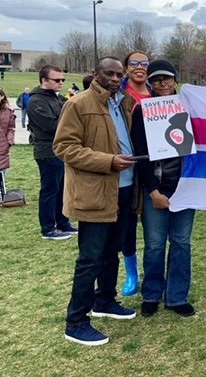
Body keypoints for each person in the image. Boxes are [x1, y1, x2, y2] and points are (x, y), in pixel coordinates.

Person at [54, 57, 138, 346]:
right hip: (95, 193)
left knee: (111, 251)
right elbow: (64, 147)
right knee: (90, 259)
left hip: (124, 190)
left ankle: (104, 300)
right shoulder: (78, 104)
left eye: (119, 74)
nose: (115, 78)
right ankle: (75, 321)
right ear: (95, 74)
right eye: (109, 73)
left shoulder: (123, 103)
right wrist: (108, 161)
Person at [131, 59, 197, 318]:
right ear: (149, 82)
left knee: (181, 243)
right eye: (156, 79)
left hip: (184, 187)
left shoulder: (188, 108)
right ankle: (151, 294)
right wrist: (152, 191)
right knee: (155, 244)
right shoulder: (141, 110)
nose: (161, 84)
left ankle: (177, 296)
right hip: (156, 188)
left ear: (175, 80)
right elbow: (140, 154)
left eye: (166, 78)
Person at [27, 65, 76, 240]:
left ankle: (63, 223)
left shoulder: (58, 98)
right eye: (57, 80)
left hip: (62, 151)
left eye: (62, 80)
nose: (61, 83)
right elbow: (51, 126)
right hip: (47, 151)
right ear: (44, 81)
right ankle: (47, 228)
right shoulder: (36, 101)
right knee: (50, 190)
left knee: (63, 189)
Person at [120, 51, 153, 297]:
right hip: (128, 166)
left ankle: (153, 273)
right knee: (127, 222)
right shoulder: (118, 97)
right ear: (126, 68)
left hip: (155, 167)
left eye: (144, 63)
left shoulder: (159, 95)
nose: (140, 67)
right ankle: (131, 272)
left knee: (153, 225)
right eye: (134, 63)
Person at [0, 88, 16, 195]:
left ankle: (2, 194)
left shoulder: (8, 112)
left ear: (2, 97)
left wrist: (9, 141)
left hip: (2, 145)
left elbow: (11, 128)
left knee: (2, 171)